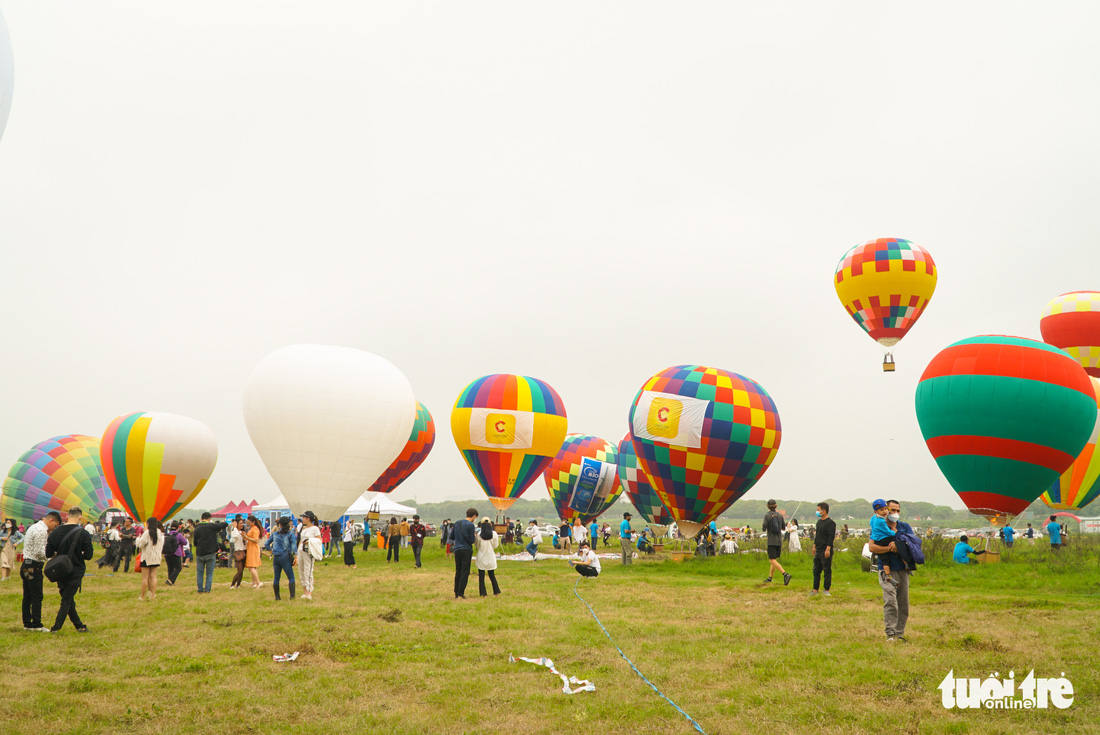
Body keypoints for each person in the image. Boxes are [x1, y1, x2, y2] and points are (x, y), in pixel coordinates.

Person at [867, 500, 914, 642]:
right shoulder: (879, 524)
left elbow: (913, 545)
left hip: (902, 569)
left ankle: (900, 633)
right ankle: (890, 633)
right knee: (890, 601)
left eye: (898, 511)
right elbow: (872, 547)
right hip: (886, 569)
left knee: (903, 603)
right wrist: (889, 548)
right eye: (892, 510)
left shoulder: (904, 527)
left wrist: (899, 546)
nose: (894, 513)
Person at [45, 507, 94, 633]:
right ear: (79, 517)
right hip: (76, 570)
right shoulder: (84, 534)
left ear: (67, 516)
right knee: (66, 600)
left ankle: (79, 626)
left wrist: (61, 556)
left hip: (60, 570)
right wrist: (78, 554)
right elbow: (89, 555)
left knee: (68, 598)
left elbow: (48, 553)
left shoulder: (55, 532)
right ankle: (56, 628)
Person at [20, 511, 60, 630]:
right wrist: (53, 556)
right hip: (34, 566)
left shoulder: (33, 527)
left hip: (26, 565)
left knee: (27, 596)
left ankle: (27, 623)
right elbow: (39, 552)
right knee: (37, 595)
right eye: (55, 526)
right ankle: (37, 624)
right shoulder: (41, 531)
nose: (54, 529)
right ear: (51, 520)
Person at [192, 512, 229, 593]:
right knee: (209, 573)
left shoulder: (197, 528)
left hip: (200, 553)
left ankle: (200, 589)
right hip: (210, 553)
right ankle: (207, 589)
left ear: (201, 519)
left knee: (200, 573)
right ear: (209, 519)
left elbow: (194, 543)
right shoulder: (211, 526)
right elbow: (225, 524)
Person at [264, 516, 297, 600]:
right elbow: (294, 546)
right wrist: (296, 556)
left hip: (276, 557)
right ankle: (292, 596)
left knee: (276, 577)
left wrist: (271, 551)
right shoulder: (290, 534)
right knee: (291, 577)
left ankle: (277, 596)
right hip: (285, 556)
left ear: (280, 525)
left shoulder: (275, 534)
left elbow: (266, 544)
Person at [135, 517, 165, 601]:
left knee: (145, 578)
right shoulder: (159, 532)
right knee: (153, 576)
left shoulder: (147, 533)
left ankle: (142, 596)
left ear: (148, 523)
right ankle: (153, 595)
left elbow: (141, 544)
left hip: (147, 557)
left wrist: (138, 538)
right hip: (156, 557)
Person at [450, 508, 478, 599]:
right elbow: (471, 540)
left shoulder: (457, 523)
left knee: (458, 570)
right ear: (474, 516)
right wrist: (474, 537)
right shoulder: (471, 525)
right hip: (466, 549)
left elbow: (452, 536)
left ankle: (456, 591)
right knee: (465, 572)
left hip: (457, 549)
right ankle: (461, 592)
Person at [811, 502, 836, 597]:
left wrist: (828, 549)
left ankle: (826, 589)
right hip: (818, 549)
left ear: (824, 511)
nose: (817, 512)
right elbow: (817, 536)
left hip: (826, 549)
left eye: (818, 510)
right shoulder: (819, 522)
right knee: (816, 570)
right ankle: (815, 589)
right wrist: (814, 546)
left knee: (826, 570)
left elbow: (831, 537)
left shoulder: (830, 523)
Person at [762, 500, 790, 585]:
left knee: (771, 560)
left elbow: (764, 527)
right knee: (774, 560)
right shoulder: (780, 515)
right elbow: (783, 528)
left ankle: (785, 574)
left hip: (771, 541)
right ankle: (770, 578)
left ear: (767, 506)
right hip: (779, 541)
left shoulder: (767, 515)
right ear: (776, 506)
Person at [869, 499, 896, 582]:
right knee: (899, 542)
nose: (885, 511)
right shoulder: (881, 521)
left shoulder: (873, 518)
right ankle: (907, 565)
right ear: (876, 511)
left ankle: (888, 575)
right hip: (884, 540)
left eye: (886, 509)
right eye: (881, 510)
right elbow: (888, 532)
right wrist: (894, 532)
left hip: (876, 539)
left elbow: (872, 526)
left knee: (885, 560)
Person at [475, 517, 501, 597]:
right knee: (492, 575)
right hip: (490, 556)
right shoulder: (494, 534)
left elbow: (477, 546)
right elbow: (495, 545)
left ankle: (483, 594)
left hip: (481, 557)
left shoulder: (479, 534)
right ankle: (496, 592)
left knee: (481, 576)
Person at [244, 516, 264, 588]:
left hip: (253, 549)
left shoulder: (255, 529)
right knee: (252, 566)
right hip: (250, 547)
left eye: (249, 522)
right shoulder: (251, 528)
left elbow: (256, 540)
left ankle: (258, 582)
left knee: (251, 566)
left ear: (253, 522)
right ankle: (254, 583)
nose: (248, 524)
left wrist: (247, 537)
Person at [228, 518, 247, 589]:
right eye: (240, 523)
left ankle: (238, 585)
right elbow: (235, 536)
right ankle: (232, 585)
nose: (242, 525)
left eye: (242, 523)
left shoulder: (242, 532)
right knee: (239, 571)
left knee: (242, 570)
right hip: (238, 552)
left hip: (244, 551)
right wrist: (235, 527)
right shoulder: (234, 531)